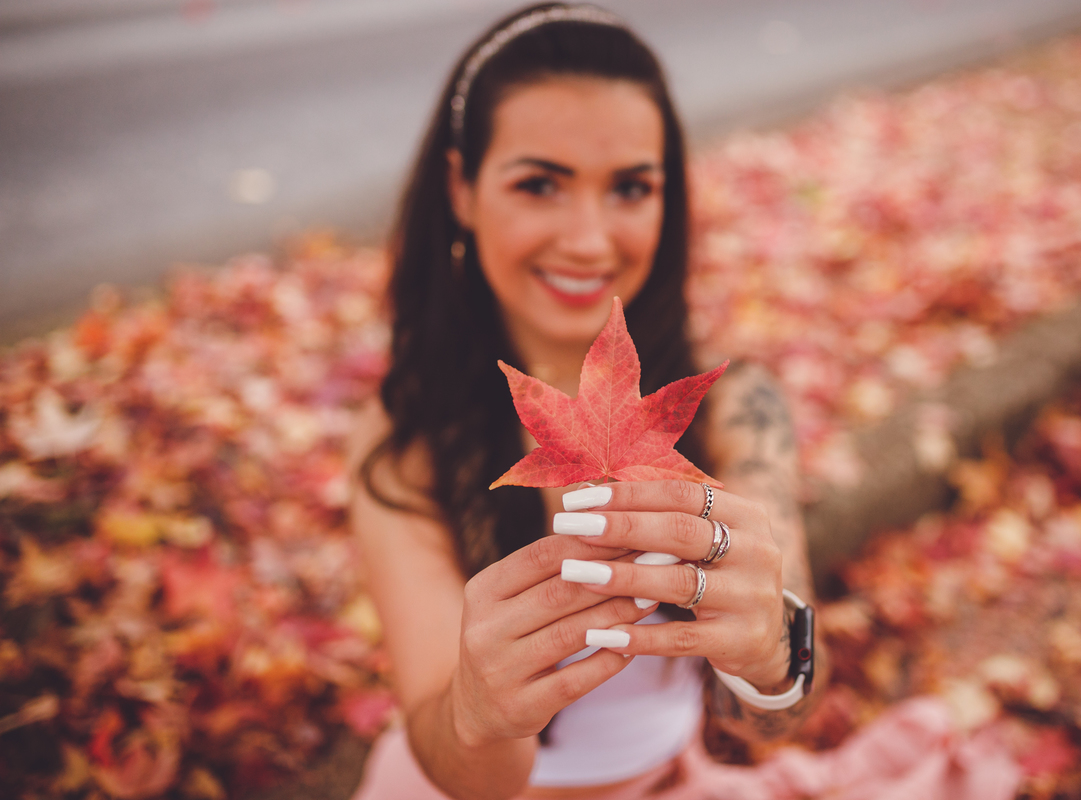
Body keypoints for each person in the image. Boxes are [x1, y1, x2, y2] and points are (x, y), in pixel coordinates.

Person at [343, 4, 887, 799]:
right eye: (540, 184)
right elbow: (453, 759)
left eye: (631, 187)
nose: (590, 239)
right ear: (461, 189)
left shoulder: (735, 409)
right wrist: (478, 711)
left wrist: (772, 653)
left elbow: (783, 715)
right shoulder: (408, 438)